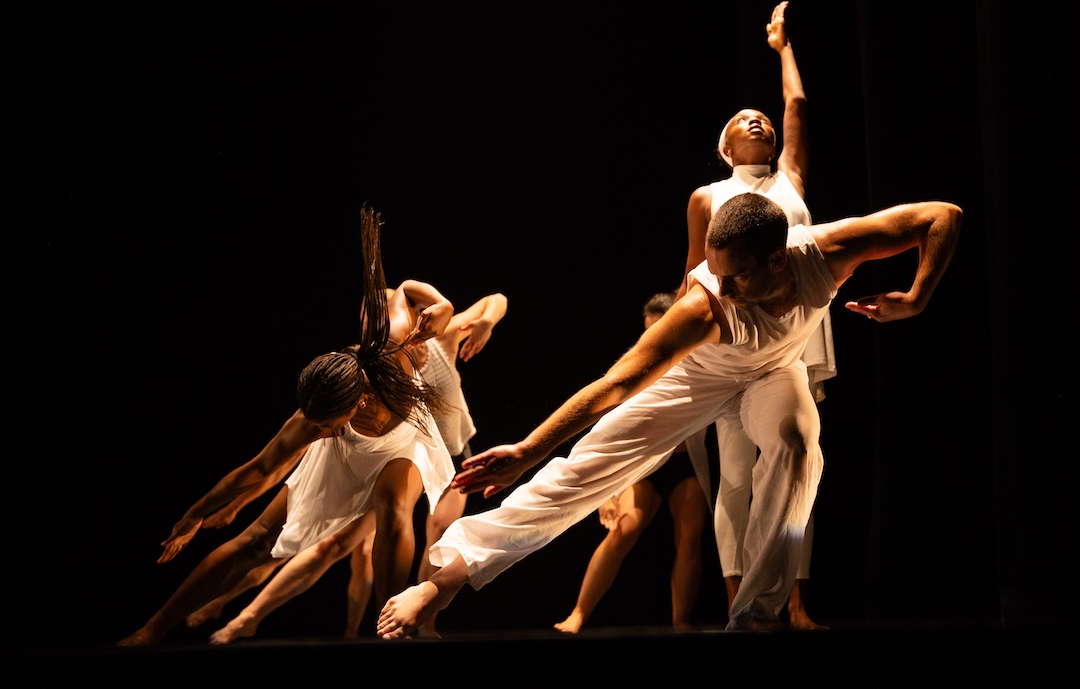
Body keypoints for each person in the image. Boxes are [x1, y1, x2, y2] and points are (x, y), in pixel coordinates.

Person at [377, 193, 962, 637]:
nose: (723, 286)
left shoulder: (829, 253)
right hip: (698, 377)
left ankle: (755, 616)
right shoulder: (703, 309)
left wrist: (917, 298)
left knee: (798, 443)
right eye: (716, 272)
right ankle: (444, 581)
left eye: (737, 275)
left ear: (779, 258)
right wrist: (529, 450)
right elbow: (615, 384)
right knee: (585, 471)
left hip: (774, 371)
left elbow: (941, 216)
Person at [117, 206, 456, 647]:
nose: (318, 431)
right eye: (316, 425)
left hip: (403, 440)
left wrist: (443, 304)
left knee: (393, 511)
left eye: (325, 425)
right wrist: (194, 514)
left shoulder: (391, 342)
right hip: (348, 452)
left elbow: (407, 287)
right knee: (256, 541)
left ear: (358, 402)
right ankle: (153, 628)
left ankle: (390, 634)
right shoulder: (314, 425)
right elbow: (258, 469)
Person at [203, 290, 508, 644]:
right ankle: (247, 617)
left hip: (450, 455)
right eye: (366, 321)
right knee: (331, 544)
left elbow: (497, 299)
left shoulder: (439, 338)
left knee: (440, 534)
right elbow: (284, 458)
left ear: (408, 319)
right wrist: (238, 502)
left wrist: (486, 323)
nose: (372, 329)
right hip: (400, 458)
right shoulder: (366, 374)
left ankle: (423, 623)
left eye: (380, 319)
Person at [677, 0, 833, 628]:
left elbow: (796, 106)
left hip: (792, 339)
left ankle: (793, 600)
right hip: (733, 343)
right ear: (725, 147)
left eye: (761, 118)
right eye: (744, 119)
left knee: (797, 467)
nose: (758, 119)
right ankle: (736, 603)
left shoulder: (789, 180)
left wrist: (782, 48)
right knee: (737, 477)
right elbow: (692, 277)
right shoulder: (708, 196)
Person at [553, 292, 710, 633]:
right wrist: (607, 494)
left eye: (658, 329)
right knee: (623, 529)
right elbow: (610, 424)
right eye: (647, 331)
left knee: (689, 535)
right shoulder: (644, 364)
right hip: (644, 465)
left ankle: (681, 623)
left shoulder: (700, 360)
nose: (652, 337)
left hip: (688, 463)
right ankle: (578, 614)